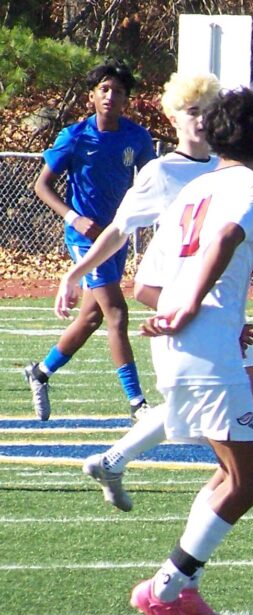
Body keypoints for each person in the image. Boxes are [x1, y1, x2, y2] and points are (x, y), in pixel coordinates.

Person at [55, 72, 253, 530]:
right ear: (172, 116)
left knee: (205, 415)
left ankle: (116, 461)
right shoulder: (163, 172)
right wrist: (77, 272)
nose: (200, 120)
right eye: (191, 111)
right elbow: (121, 229)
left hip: (213, 298)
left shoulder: (230, 171)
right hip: (187, 297)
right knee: (245, 401)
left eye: (207, 111)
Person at [128, 87, 253, 615]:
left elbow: (145, 286)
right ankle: (164, 588)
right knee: (247, 482)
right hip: (206, 348)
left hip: (186, 343)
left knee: (227, 473)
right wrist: (194, 307)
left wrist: (183, 309)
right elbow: (222, 238)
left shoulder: (194, 188)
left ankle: (184, 584)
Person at [26, 61, 156, 422]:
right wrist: (74, 217)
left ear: (127, 99)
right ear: (92, 96)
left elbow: (150, 184)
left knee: (91, 316)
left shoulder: (137, 138)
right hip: (84, 240)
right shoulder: (75, 136)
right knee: (117, 311)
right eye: (104, 89)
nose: (110, 96)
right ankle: (137, 404)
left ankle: (40, 372)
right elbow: (42, 185)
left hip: (117, 237)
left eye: (117, 91)